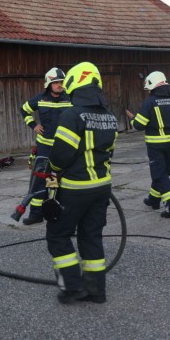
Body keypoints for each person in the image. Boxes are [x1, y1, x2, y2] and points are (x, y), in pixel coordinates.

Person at [45, 61, 118, 304]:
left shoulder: (72, 115)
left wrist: (52, 171)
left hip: (75, 188)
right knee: (91, 236)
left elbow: (61, 154)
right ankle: (96, 291)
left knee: (58, 235)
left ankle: (72, 287)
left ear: (75, 84)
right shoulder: (109, 116)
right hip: (102, 187)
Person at [126, 71, 170, 218]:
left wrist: (132, 118)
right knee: (162, 172)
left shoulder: (150, 102)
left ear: (152, 85)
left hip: (155, 145)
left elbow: (139, 125)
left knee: (159, 175)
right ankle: (153, 200)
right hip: (169, 145)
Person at [19, 67, 72, 225]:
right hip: (44, 148)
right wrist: (33, 125)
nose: (59, 85)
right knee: (39, 180)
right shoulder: (40, 99)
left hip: (62, 148)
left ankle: (56, 212)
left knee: (57, 181)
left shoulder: (70, 99)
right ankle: (36, 214)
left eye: (61, 82)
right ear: (49, 84)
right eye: (56, 82)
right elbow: (24, 110)